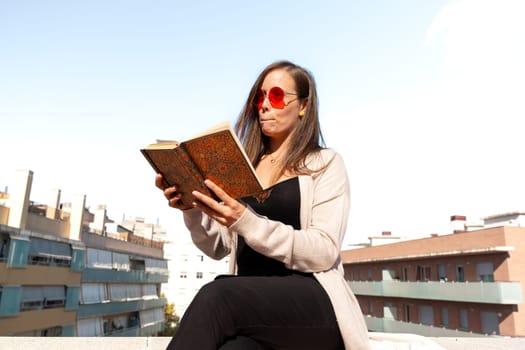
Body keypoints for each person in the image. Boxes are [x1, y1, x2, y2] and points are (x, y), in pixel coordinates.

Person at [156, 60, 371, 350]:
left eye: (278, 96)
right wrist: (192, 208)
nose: (265, 105)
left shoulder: (326, 163)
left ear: (303, 106)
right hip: (250, 309)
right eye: (260, 97)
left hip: (310, 305)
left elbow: (324, 250)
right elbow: (218, 247)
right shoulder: (245, 167)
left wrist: (246, 220)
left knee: (216, 294)